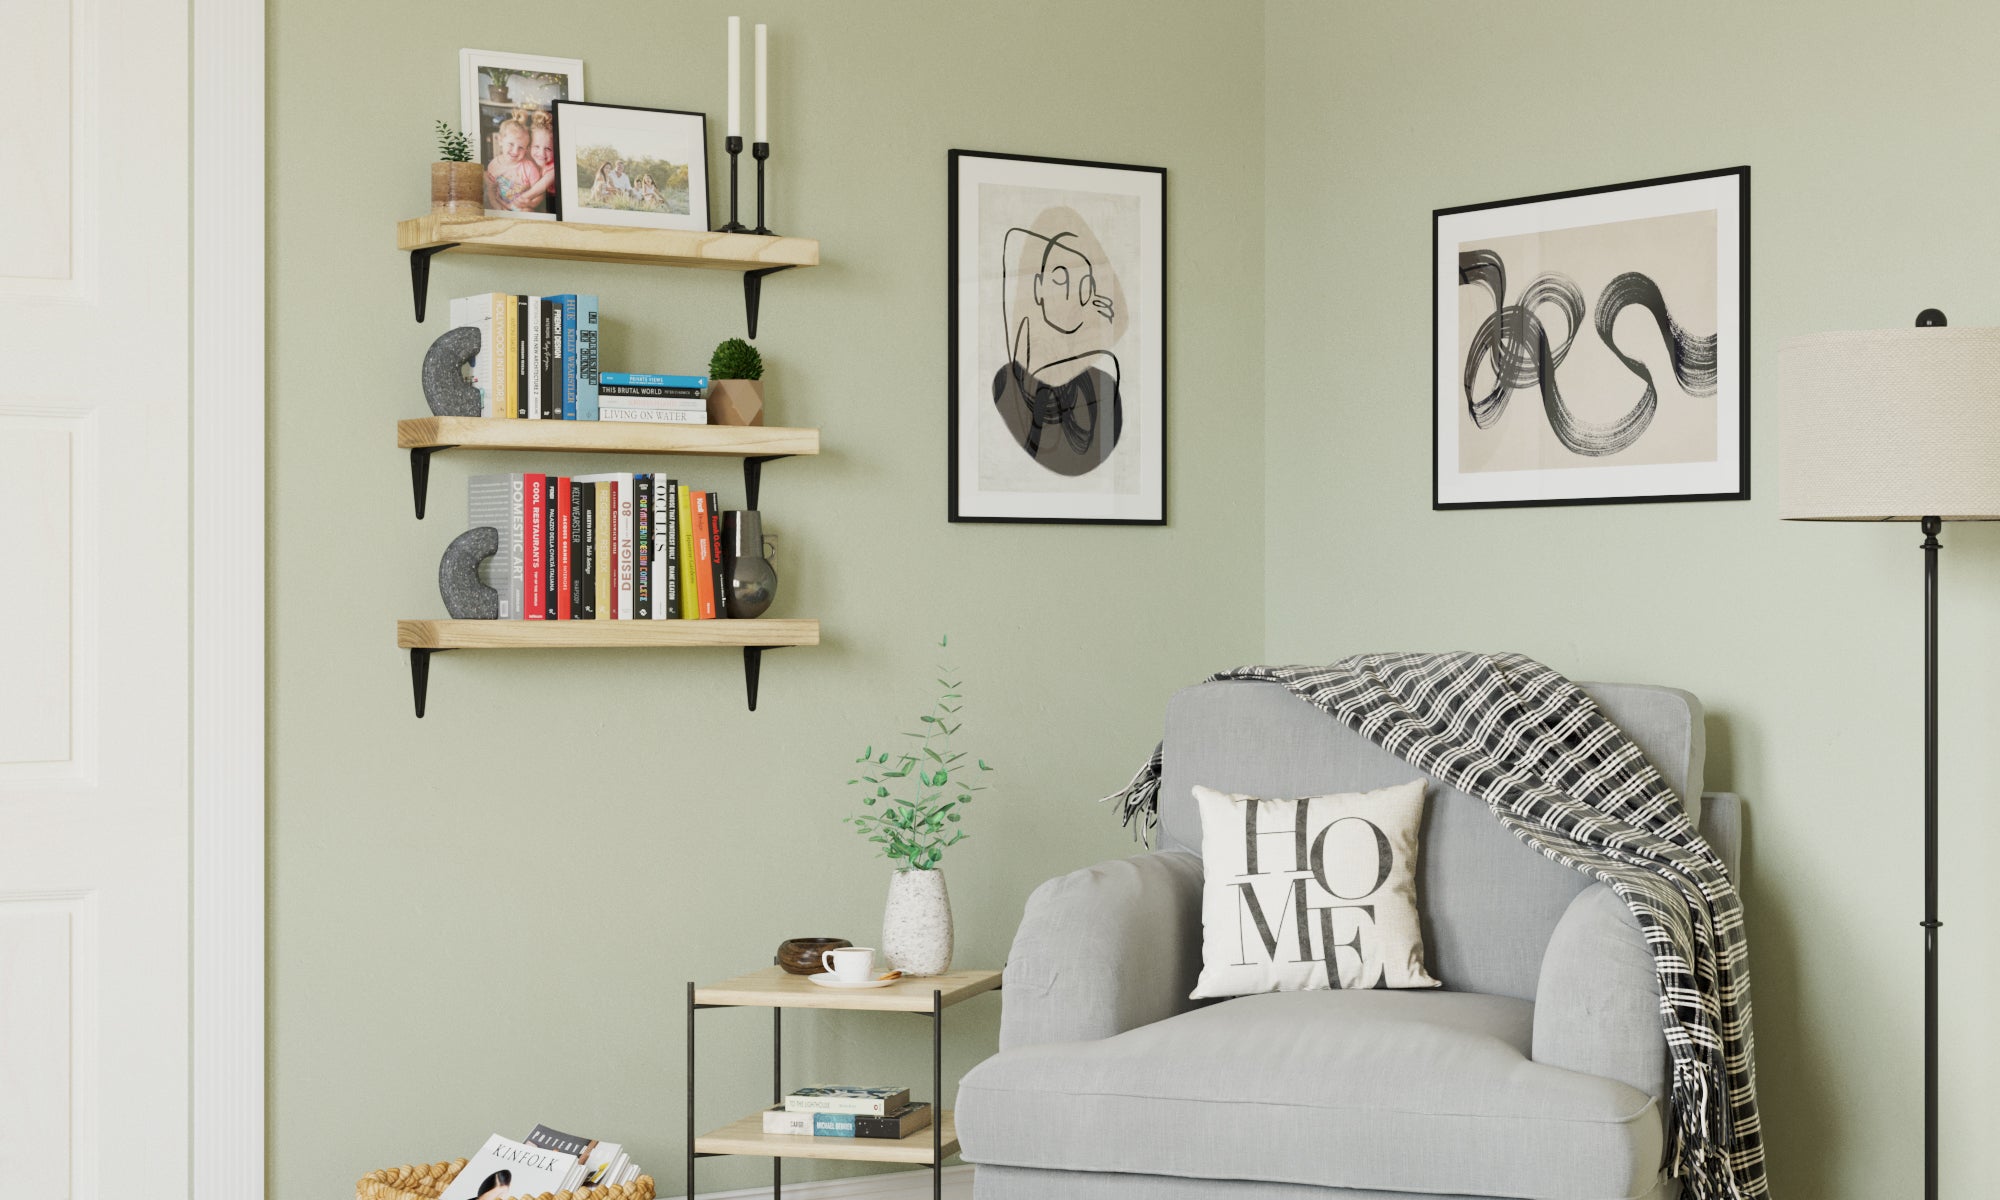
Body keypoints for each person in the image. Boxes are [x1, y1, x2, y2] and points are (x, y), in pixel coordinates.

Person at [482, 115, 541, 213]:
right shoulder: (494, 165)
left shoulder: (529, 168)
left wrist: (531, 203)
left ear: (526, 148)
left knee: (528, 212)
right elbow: (491, 190)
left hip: (520, 207)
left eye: (521, 147)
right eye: (511, 144)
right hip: (500, 205)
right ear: (500, 140)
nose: (515, 151)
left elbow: (539, 193)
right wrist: (498, 207)